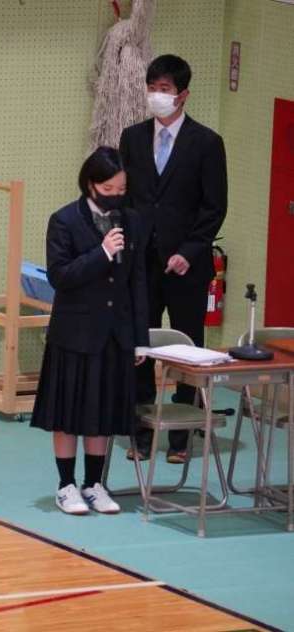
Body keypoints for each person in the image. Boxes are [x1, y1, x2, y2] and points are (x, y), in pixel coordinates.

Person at [119, 54, 227, 464]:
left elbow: (214, 207)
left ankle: (181, 437)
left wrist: (189, 251)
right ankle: (141, 433)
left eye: (164, 89)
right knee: (141, 345)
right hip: (141, 261)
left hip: (186, 264)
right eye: (152, 88)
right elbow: (126, 197)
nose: (156, 95)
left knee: (186, 347)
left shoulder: (206, 142)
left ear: (183, 95)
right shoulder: (132, 137)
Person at [31, 146, 148, 515]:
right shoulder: (64, 220)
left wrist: (139, 339)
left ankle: (94, 484)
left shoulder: (131, 221)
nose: (115, 196)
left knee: (102, 413)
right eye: (108, 189)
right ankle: (66, 485)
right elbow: (60, 276)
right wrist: (102, 253)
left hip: (115, 333)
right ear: (90, 184)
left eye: (121, 189)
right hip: (75, 331)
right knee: (68, 413)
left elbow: (137, 281)